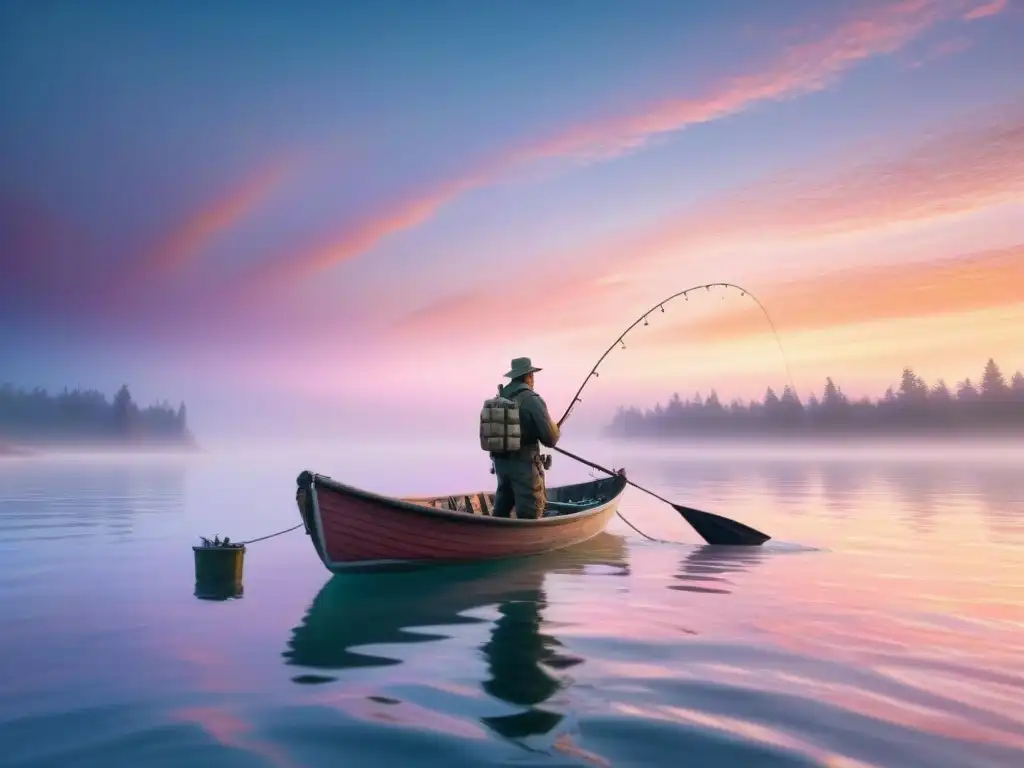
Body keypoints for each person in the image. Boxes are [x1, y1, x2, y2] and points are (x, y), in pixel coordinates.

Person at [490, 357, 560, 520]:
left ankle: (494, 535)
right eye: (532, 375)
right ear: (528, 376)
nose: (533, 380)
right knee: (530, 515)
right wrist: (555, 428)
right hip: (525, 467)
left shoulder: (500, 397)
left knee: (501, 510)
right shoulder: (531, 400)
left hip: (501, 465)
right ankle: (527, 543)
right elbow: (551, 439)